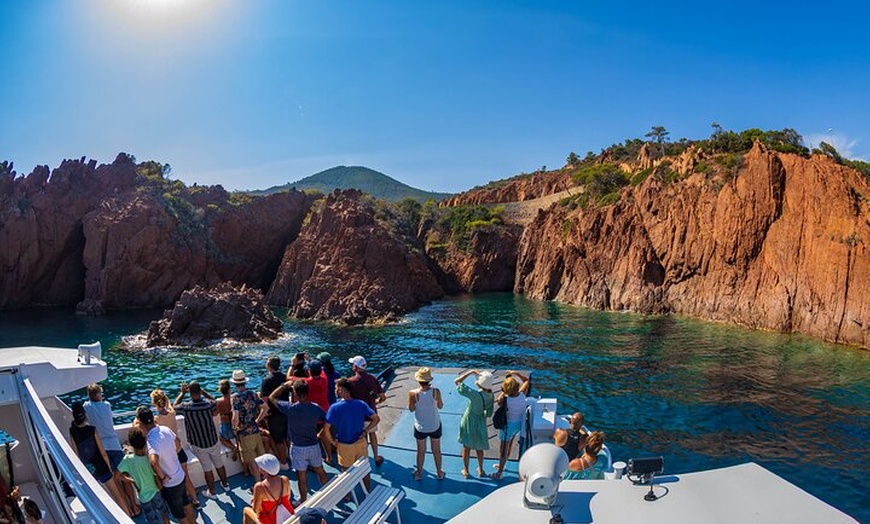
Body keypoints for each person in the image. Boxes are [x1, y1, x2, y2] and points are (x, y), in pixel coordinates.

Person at [68, 402, 132, 516]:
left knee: (101, 500)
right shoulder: (92, 430)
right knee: (117, 495)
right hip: (101, 466)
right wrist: (108, 468)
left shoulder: (72, 431)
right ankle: (128, 518)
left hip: (89, 469)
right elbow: (102, 452)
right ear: (85, 414)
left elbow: (76, 454)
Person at [270, 379, 329, 502]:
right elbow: (329, 420)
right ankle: (328, 493)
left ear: (295, 393)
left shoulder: (290, 408)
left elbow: (271, 398)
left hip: (298, 448)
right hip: (314, 446)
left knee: (302, 478)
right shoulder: (315, 408)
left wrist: (283, 385)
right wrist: (321, 433)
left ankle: (303, 500)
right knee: (320, 470)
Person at [136, 406, 196, 524]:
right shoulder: (165, 429)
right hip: (180, 475)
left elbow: (154, 462)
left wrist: (163, 477)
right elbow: (178, 443)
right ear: (153, 418)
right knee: (186, 504)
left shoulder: (151, 440)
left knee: (180, 515)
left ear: (142, 424)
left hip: (171, 484)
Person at [173, 381, 229, 499]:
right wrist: (204, 392)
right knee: (219, 463)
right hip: (213, 440)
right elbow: (215, 401)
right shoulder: (208, 404)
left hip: (198, 444)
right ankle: (225, 484)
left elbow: (174, 406)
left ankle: (212, 492)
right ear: (199, 392)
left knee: (207, 468)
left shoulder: (186, 407)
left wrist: (182, 393)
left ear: (190, 393)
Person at [323, 378, 379, 492]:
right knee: (364, 470)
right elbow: (376, 419)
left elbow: (326, 429)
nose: (335, 391)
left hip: (344, 445)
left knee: (346, 473)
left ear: (342, 390)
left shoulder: (334, 408)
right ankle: (368, 492)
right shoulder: (361, 404)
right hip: (360, 443)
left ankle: (348, 495)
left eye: (336, 389)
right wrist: (365, 431)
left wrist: (333, 442)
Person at [150, 389, 198, 507]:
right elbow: (171, 405)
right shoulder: (172, 413)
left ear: (154, 403)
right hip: (179, 450)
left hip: (169, 455)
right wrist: (181, 393)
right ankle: (196, 500)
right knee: (185, 477)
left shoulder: (156, 420)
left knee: (170, 480)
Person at [116, 427, 171, 524]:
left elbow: (117, 476)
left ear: (131, 444)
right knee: (164, 513)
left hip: (143, 497)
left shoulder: (128, 460)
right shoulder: (149, 458)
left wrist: (132, 480)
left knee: (152, 520)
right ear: (145, 440)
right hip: (156, 491)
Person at [454, 369, 494, 478]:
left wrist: (470, 372)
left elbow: (457, 381)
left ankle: (466, 471)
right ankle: (480, 469)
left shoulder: (474, 394)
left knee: (466, 447)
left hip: (469, 420)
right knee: (479, 448)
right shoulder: (491, 395)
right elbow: (489, 413)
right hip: (480, 421)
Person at [348, 355, 386, 467]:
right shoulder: (372, 379)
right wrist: (376, 403)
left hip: (358, 416)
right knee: (373, 434)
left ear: (355, 366)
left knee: (362, 438)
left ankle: (363, 460)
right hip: (371, 414)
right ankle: (376, 456)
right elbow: (383, 397)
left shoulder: (351, 381)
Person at [408, 367, 444, 480]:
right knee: (436, 450)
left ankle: (419, 474)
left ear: (418, 380)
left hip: (420, 427)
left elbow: (411, 409)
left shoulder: (412, 393)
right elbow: (440, 406)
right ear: (429, 380)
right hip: (434, 425)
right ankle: (439, 473)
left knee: (421, 451)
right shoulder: (436, 391)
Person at [493, 370, 530, 480]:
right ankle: (503, 463)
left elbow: (499, 399)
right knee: (510, 443)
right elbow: (526, 380)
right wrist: (516, 373)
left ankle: (500, 472)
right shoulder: (523, 394)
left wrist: (504, 391)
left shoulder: (504, 400)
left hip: (507, 426)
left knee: (503, 449)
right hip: (518, 424)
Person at [231, 369, 266, 481]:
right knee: (261, 459)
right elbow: (265, 408)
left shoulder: (236, 397)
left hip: (245, 433)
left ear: (235, 383)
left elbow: (235, 417)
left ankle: (259, 484)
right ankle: (266, 481)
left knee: (252, 462)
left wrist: (234, 428)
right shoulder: (253, 394)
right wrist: (257, 420)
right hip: (255, 430)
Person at [242, 453, 295, 524]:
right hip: (288, 514)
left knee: (246, 510)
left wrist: (254, 502)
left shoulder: (260, 487)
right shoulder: (285, 479)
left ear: (264, 471)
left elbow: (256, 510)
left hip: (270, 520)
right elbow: (288, 498)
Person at [82, 384, 124, 473]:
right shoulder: (107, 405)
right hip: (114, 445)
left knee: (111, 475)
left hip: (101, 447)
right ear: (98, 394)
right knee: (123, 474)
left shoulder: (86, 407)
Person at [260, 356, 290, 470]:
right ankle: (290, 457)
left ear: (269, 365)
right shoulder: (285, 377)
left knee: (278, 440)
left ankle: (283, 462)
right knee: (286, 437)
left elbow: (264, 399)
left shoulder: (266, 380)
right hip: (286, 410)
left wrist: (265, 414)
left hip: (274, 414)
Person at [215, 379, 241, 465]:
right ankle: (238, 447)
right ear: (229, 389)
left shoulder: (218, 401)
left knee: (222, 438)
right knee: (238, 438)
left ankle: (233, 448)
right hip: (235, 426)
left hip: (226, 428)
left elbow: (215, 413)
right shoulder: (234, 398)